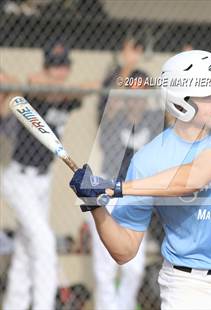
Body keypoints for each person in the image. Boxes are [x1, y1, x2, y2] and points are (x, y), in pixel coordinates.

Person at [69, 50, 211, 309]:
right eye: (209, 96)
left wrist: (117, 188)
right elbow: (124, 251)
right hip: (190, 289)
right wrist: (95, 205)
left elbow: (195, 177)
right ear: (180, 101)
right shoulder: (147, 160)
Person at [1, 41, 87, 310]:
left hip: (43, 180)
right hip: (18, 179)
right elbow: (22, 87)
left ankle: (15, 305)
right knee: (44, 242)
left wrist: (59, 87)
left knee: (27, 250)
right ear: (45, 66)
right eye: (54, 66)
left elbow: (85, 90)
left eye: (63, 66)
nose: (59, 71)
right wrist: (45, 83)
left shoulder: (67, 97)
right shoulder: (32, 94)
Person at [90, 68, 160, 310]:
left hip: (135, 196)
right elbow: (107, 98)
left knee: (134, 268)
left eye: (142, 93)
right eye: (132, 92)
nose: (137, 98)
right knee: (105, 270)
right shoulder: (113, 117)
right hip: (108, 192)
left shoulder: (154, 119)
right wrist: (127, 67)